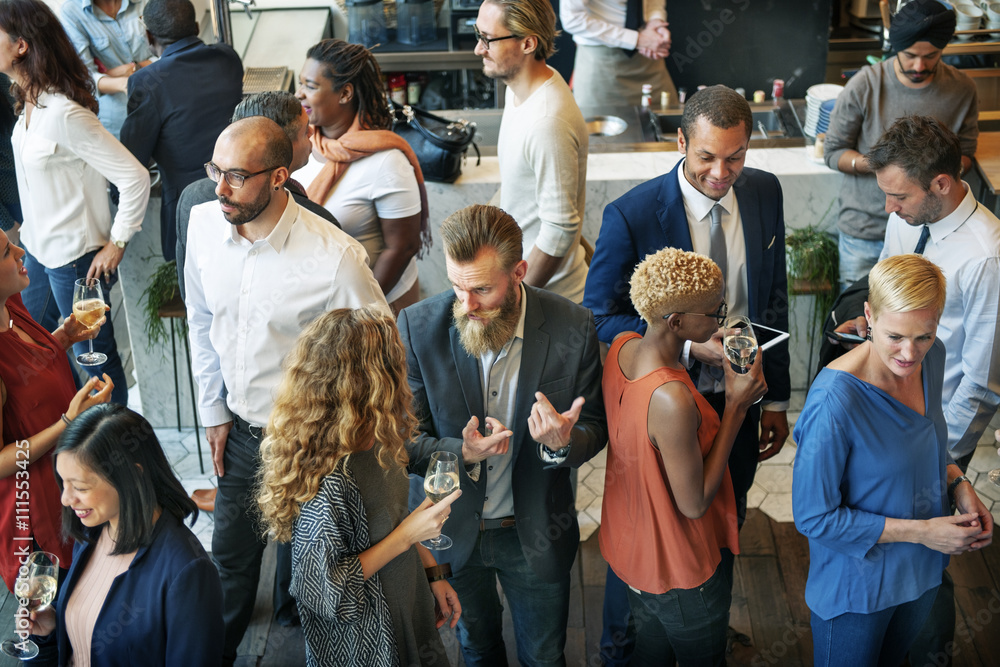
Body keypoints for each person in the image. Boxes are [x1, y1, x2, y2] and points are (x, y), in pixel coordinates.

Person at [583, 83, 789, 663]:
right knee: (657, 530)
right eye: (707, 157)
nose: (722, 172)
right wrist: (690, 350)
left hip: (743, 397)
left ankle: (701, 616)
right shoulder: (631, 214)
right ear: (680, 142)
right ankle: (627, 648)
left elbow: (774, 294)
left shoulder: (766, 193)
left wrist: (774, 401)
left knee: (727, 510)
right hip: (673, 402)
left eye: (736, 156)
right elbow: (600, 314)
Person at [185, 116, 388, 666]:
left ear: (278, 176)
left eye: (235, 176)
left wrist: (346, 432)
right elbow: (202, 323)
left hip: (312, 445)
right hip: (241, 432)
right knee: (228, 563)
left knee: (312, 579)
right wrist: (213, 412)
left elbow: (379, 346)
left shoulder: (335, 257)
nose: (219, 188)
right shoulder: (203, 225)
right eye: (214, 171)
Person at [398, 204, 607, 665]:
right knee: (476, 648)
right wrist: (463, 453)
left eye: (481, 290)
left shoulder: (573, 325)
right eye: (456, 287)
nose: (466, 305)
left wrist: (562, 444)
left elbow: (594, 427)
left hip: (534, 532)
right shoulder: (416, 328)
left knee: (546, 656)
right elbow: (404, 444)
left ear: (519, 272)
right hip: (449, 535)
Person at [831, 115, 1000, 665]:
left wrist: (942, 461)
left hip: (938, 425)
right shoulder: (908, 214)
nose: (888, 209)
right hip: (879, 408)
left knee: (928, 548)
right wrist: (871, 327)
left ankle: (928, 650)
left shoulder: (988, 257)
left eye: (897, 196)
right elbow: (886, 279)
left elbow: (983, 380)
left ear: (942, 185)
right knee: (882, 527)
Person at [792, 254, 993, 667]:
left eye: (923, 334)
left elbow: (930, 444)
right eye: (895, 336)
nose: (908, 353)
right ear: (869, 315)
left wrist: (959, 485)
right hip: (857, 589)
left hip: (920, 574)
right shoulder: (834, 402)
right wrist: (923, 532)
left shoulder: (930, 357)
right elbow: (813, 517)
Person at [258, 306, 461, 667]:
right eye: (395, 362)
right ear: (371, 379)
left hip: (407, 603)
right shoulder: (329, 479)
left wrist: (433, 573)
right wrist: (408, 535)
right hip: (370, 641)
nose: (404, 371)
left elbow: (394, 519)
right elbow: (327, 593)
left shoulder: (378, 436)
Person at [601, 247, 765, 666]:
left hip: (633, 551)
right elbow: (693, 504)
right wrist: (736, 407)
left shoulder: (621, 346)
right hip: (678, 566)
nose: (722, 321)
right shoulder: (671, 398)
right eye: (715, 313)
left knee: (651, 653)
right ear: (676, 322)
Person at [3, 0, 149, 407]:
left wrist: (117, 242)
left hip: (76, 261)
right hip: (37, 252)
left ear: (21, 45)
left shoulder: (65, 113)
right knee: (38, 347)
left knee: (97, 361)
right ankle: (69, 432)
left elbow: (133, 176)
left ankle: (117, 455)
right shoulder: (29, 106)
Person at [27, 404, 224, 666]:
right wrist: (51, 630)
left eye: (80, 487)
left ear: (132, 475)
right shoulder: (92, 532)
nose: (66, 499)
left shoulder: (187, 572)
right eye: (63, 482)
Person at [823, 0, 978, 291]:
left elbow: (967, 154)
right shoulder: (865, 84)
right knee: (860, 314)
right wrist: (885, 166)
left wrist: (936, 170)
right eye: (910, 56)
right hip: (865, 230)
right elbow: (833, 152)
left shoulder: (962, 88)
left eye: (931, 56)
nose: (919, 65)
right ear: (896, 47)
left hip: (930, 229)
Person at [0, 228, 114, 593]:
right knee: (45, 626)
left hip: (65, 484)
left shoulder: (10, 304)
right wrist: (68, 421)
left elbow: (29, 373)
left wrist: (65, 335)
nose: (20, 250)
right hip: (33, 512)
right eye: (5, 252)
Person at [297, 39, 429, 313]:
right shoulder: (303, 147)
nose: (299, 94)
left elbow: (403, 246)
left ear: (345, 93)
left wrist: (360, 307)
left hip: (378, 310)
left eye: (310, 86)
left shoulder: (386, 161)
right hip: (325, 307)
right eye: (300, 84)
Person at [175, 90, 341, 299]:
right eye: (304, 131)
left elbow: (190, 294)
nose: (311, 133)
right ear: (279, 147)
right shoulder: (321, 224)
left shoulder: (190, 197)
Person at [475, 0, 589, 303]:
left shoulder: (547, 120)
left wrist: (514, 299)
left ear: (528, 43)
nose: (478, 49)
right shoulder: (523, 89)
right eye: (478, 35)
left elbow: (560, 229)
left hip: (548, 301)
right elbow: (518, 186)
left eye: (487, 38)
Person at [119, 0, 243, 262]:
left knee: (192, 286)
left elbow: (131, 159)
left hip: (187, 207)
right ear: (197, 27)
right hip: (240, 194)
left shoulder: (145, 82)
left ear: (149, 36)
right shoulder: (227, 57)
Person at [60, 0, 152, 139]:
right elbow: (86, 78)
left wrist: (134, 69)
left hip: (161, 100)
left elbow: (169, 50)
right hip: (118, 117)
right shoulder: (72, 11)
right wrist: (126, 84)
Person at [560, 0, 676, 108]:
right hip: (602, 64)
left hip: (648, 57)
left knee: (669, 123)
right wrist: (637, 40)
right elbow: (571, 18)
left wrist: (656, 23)